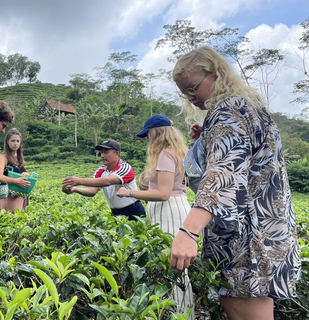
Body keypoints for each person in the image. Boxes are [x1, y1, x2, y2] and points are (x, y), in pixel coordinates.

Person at [170, 46, 301, 320]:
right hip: (267, 235)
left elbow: (224, 173)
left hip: (245, 243)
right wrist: (205, 141)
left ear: (216, 74)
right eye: (185, 93)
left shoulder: (228, 109)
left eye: (194, 87)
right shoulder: (246, 106)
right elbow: (246, 165)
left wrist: (189, 231)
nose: (191, 97)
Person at [116, 114, 194, 318]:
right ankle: (179, 312)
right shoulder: (174, 152)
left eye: (149, 135)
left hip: (170, 210)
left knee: (174, 267)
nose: (148, 140)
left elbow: (163, 193)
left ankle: (179, 313)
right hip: (170, 209)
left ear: (157, 133)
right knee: (173, 266)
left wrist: (130, 192)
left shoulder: (166, 154)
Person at [61, 139, 145, 220]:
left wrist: (79, 181)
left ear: (116, 153)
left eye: (106, 152)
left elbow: (108, 181)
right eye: (101, 153)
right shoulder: (100, 170)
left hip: (134, 211)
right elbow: (92, 191)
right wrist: (75, 189)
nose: (102, 156)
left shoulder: (125, 168)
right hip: (115, 213)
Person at [0, 128, 30, 212]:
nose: (15, 144)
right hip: (8, 195)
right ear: (7, 141)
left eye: (18, 141)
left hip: (19, 195)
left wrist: (25, 174)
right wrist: (16, 181)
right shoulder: (3, 156)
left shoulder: (18, 157)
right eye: (13, 141)